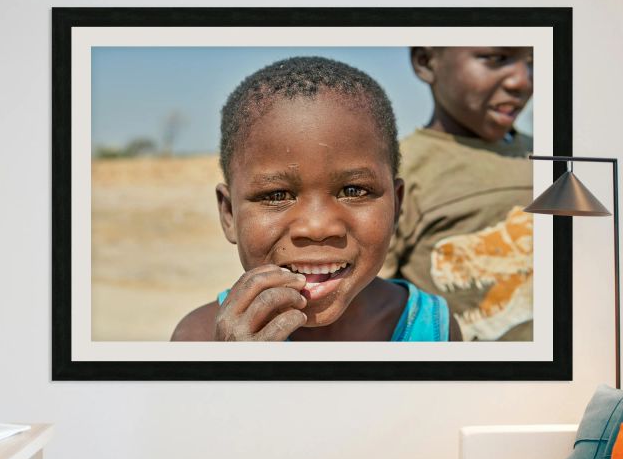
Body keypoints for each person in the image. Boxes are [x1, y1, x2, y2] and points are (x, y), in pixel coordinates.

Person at [171, 56, 461, 342]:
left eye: (353, 190)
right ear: (229, 214)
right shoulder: (200, 338)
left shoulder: (435, 330)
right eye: (277, 195)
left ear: (396, 207)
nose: (318, 228)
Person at [381, 47, 535, 341]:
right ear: (426, 62)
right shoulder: (396, 171)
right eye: (497, 59)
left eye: (532, 64)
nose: (522, 81)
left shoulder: (550, 160)